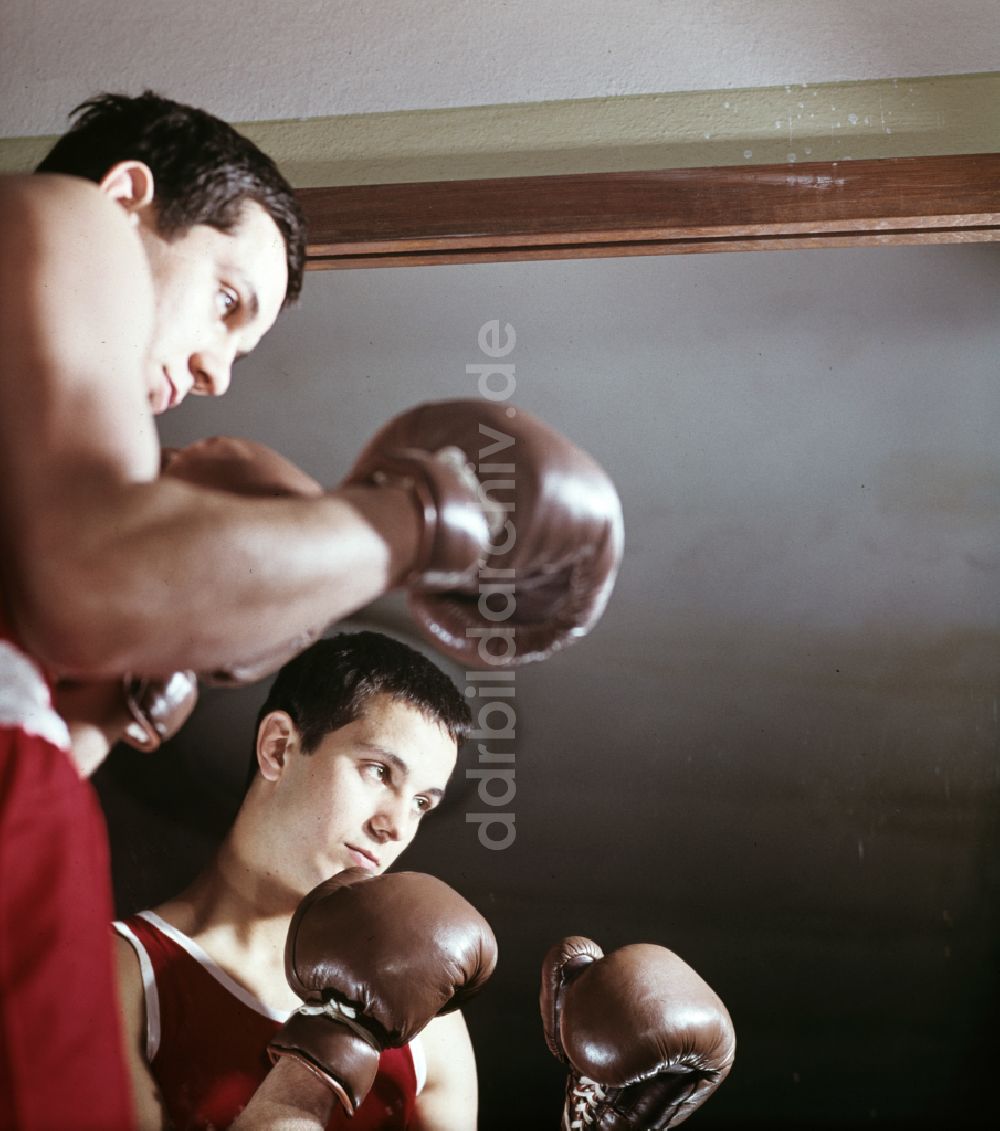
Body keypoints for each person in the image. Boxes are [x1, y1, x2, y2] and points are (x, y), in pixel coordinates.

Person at [0, 87, 621, 1130]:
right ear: (129, 197)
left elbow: (67, 673)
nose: (213, 370)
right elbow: (94, 581)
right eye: (230, 302)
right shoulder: (67, 217)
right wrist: (421, 517)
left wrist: (122, 693)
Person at [113, 631, 487, 1131]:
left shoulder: (427, 1025)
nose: (395, 826)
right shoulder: (119, 973)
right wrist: (340, 1036)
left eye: (422, 802)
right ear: (278, 747)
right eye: (379, 771)